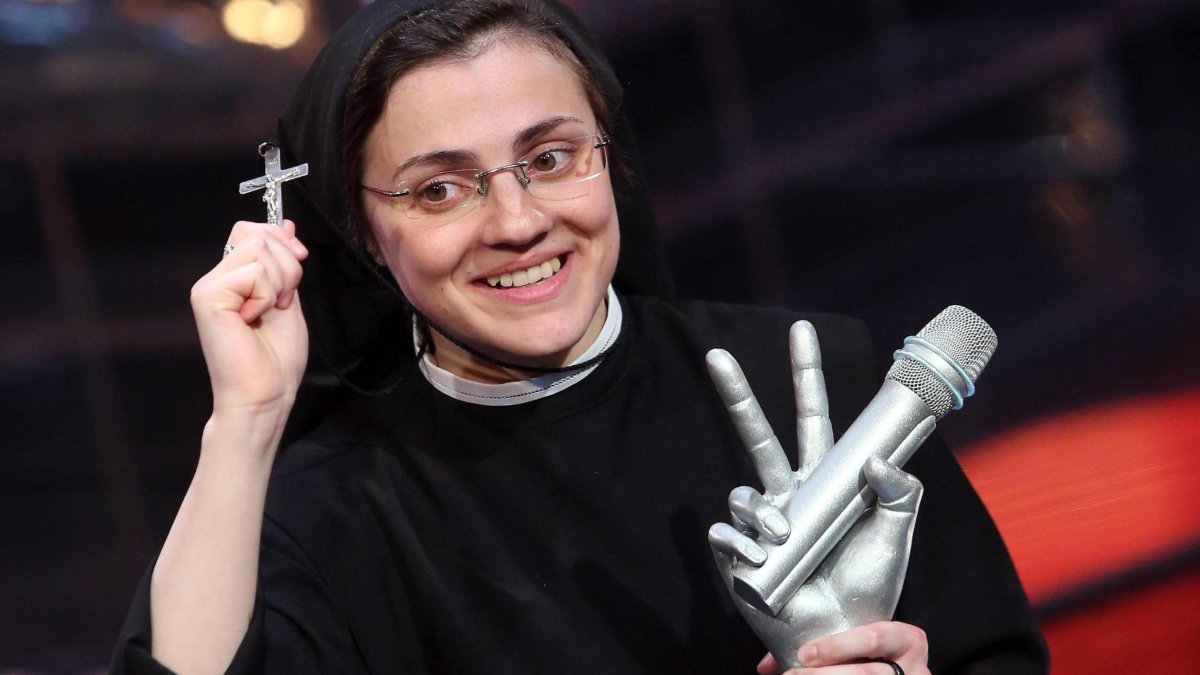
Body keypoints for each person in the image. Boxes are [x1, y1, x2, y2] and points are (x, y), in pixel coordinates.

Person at [111, 1, 1048, 673]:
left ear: (613, 161)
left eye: (550, 158)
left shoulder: (828, 384)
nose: (516, 221)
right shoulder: (326, 507)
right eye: (441, 187)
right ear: (362, 235)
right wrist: (244, 422)